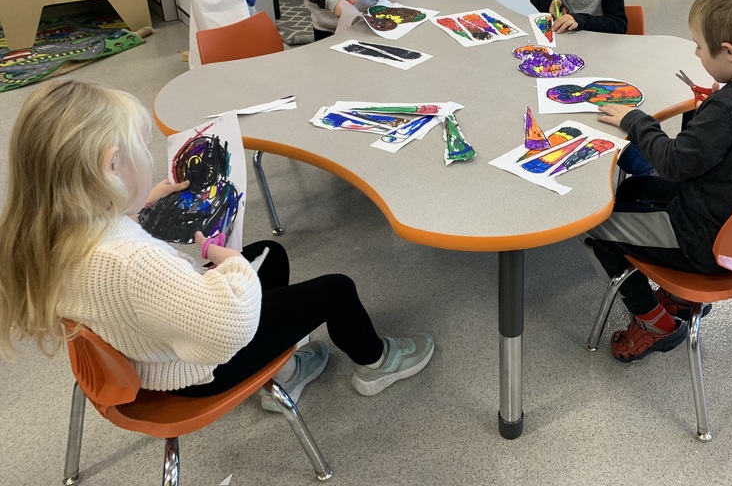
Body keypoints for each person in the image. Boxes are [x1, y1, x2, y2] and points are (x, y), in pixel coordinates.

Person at [0, 79, 433, 411]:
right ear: (110, 166)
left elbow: (118, 271)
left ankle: (284, 369)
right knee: (336, 289)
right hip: (198, 370)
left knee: (272, 253)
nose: (150, 159)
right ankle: (376, 364)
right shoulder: (134, 262)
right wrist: (230, 266)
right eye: (142, 149)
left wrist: (137, 205)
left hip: (144, 348)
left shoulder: (55, 232)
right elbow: (228, 329)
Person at [584, 0, 732, 362]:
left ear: (729, 52)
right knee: (633, 191)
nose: (697, 55)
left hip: (702, 239)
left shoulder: (730, 109)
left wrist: (637, 121)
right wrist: (710, 116)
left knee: (595, 224)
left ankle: (654, 322)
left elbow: (671, 163)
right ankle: (679, 299)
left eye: (700, 47)